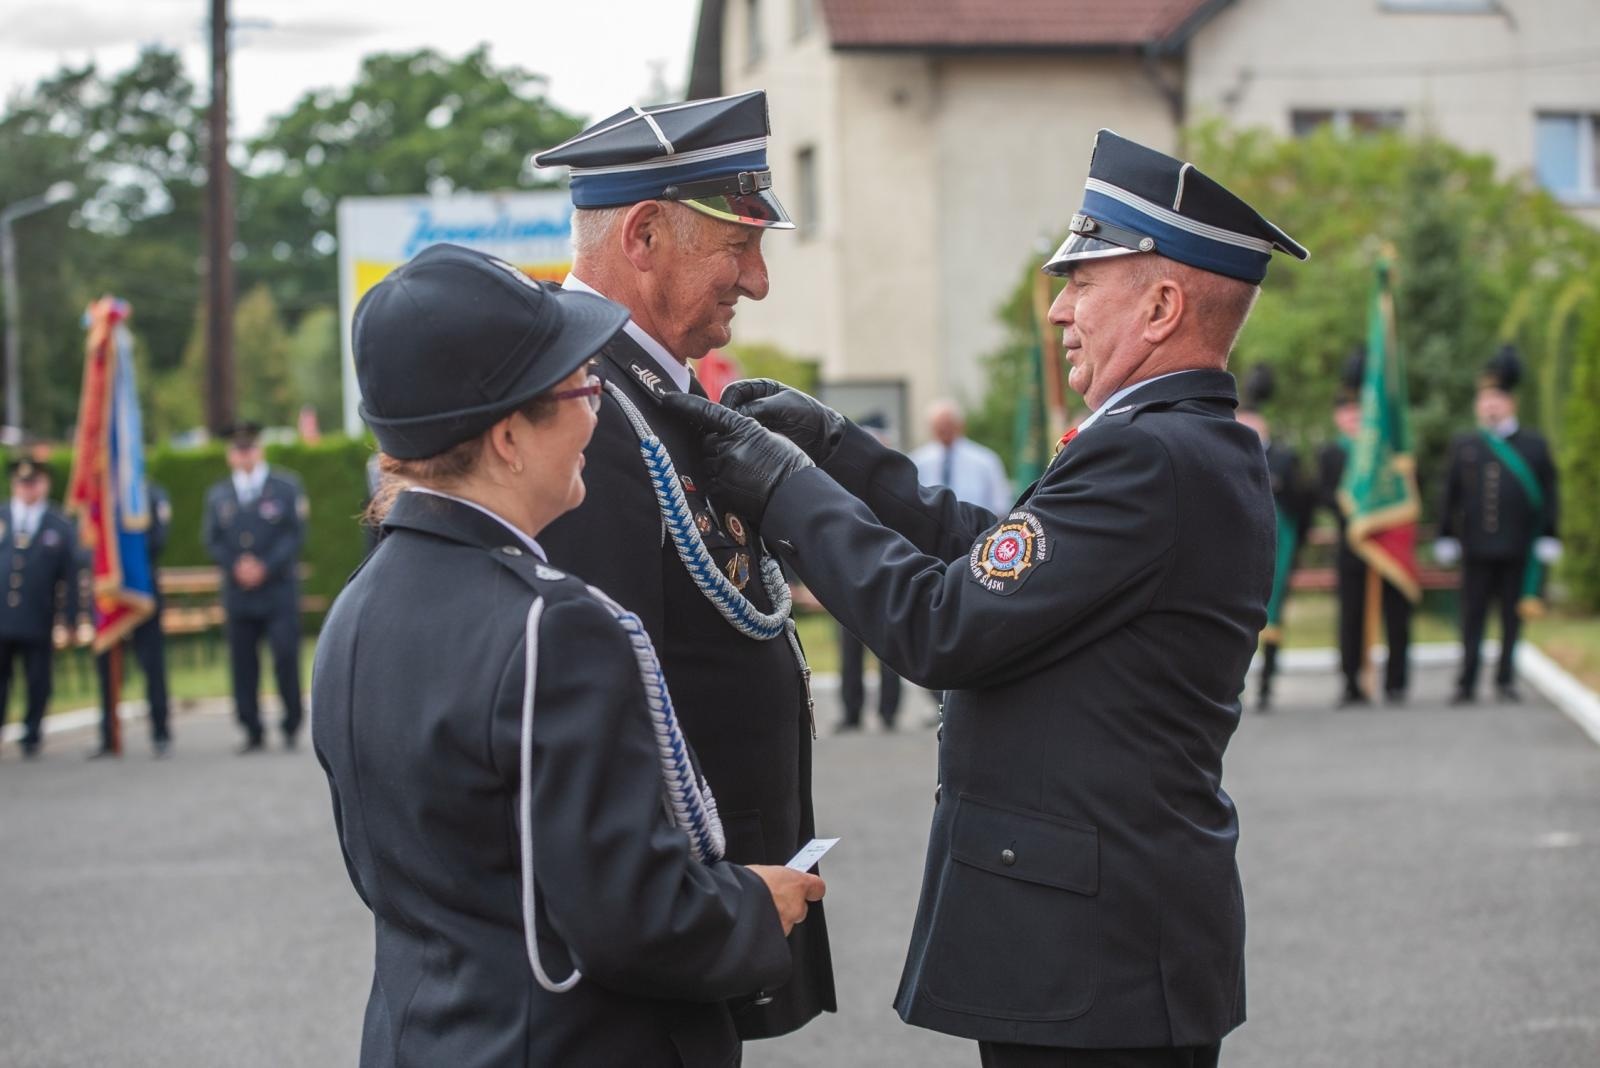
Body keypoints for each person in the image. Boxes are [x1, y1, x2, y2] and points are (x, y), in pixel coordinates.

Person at [668, 129, 1307, 1067]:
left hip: (1093, 960)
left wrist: (783, 488)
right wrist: (840, 452)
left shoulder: (1147, 455)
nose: (1060, 310)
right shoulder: (1178, 444)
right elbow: (995, 555)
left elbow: (942, 625)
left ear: (1163, 306)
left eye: (1082, 282)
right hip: (1105, 943)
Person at [312, 242, 822, 1066]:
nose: (596, 414)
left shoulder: (357, 610)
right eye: (581, 387)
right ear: (509, 437)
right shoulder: (557, 628)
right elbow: (634, 919)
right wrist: (754, 905)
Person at [530, 90, 836, 1036]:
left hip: (708, 901)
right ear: (645, 235)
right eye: (736, 246)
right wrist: (695, 915)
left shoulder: (644, 390)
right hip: (655, 941)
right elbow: (600, 715)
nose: (758, 281)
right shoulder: (581, 405)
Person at [1435, 345, 1561, 704]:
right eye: (1485, 399)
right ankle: (1467, 681)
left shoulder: (1534, 445)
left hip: (1517, 547)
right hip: (1475, 547)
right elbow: (1450, 494)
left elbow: (1549, 494)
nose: (1490, 406)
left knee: (1511, 617)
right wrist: (1446, 534)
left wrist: (1550, 534)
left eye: (1497, 399)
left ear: (1511, 403)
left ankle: (1505, 679)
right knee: (1472, 617)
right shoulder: (1466, 444)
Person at [202, 422, 308, 753]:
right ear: (230, 455)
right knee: (243, 662)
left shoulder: (286, 487)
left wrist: (265, 566)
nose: (244, 454)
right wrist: (236, 566)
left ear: (259, 451)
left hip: (277, 589)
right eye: (238, 449)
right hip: (239, 592)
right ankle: (251, 728)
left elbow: (294, 535)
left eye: (249, 448)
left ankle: (291, 722)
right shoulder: (219, 494)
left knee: (285, 655)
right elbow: (212, 539)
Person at [1317, 348, 1411, 707]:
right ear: (1337, 416)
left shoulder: (1383, 451)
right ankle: (1351, 681)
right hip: (1351, 543)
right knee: (1351, 616)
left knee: (1395, 613)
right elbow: (1324, 494)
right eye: (1346, 411)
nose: (1353, 417)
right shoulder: (1332, 453)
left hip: (1385, 539)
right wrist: (1352, 508)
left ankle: (1397, 681)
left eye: (1358, 411)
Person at [1237, 366, 1308, 712]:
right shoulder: (1227, 454)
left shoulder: (1284, 458)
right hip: (1236, 547)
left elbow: (1302, 503)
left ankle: (1267, 683)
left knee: (1274, 612)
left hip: (1278, 546)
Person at [0, 458, 81, 759]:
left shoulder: (59, 525)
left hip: (38, 616)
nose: (27, 489)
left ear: (44, 484)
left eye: (33, 483)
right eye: (22, 483)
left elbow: (71, 577)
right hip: (2, 617)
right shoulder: (3, 517)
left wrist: (71, 618)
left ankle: (31, 732)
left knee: (37, 679)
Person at [92, 482, 173, 757]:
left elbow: (158, 540)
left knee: (152, 665)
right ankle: (108, 734)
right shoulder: (99, 496)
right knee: (106, 668)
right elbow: (86, 541)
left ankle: (160, 731)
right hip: (108, 594)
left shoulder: (150, 494)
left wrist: (126, 565)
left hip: (142, 589)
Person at [836, 413, 904, 732]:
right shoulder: (844, 478)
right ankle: (852, 710)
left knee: (889, 646)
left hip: (887, 570)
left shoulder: (897, 479)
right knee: (850, 648)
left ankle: (888, 710)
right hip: (851, 572)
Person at [909, 399, 1012, 515]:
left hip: (976, 525)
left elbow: (1000, 504)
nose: (944, 430)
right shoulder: (918, 461)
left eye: (948, 425)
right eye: (939, 426)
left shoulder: (985, 460)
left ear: (961, 425)